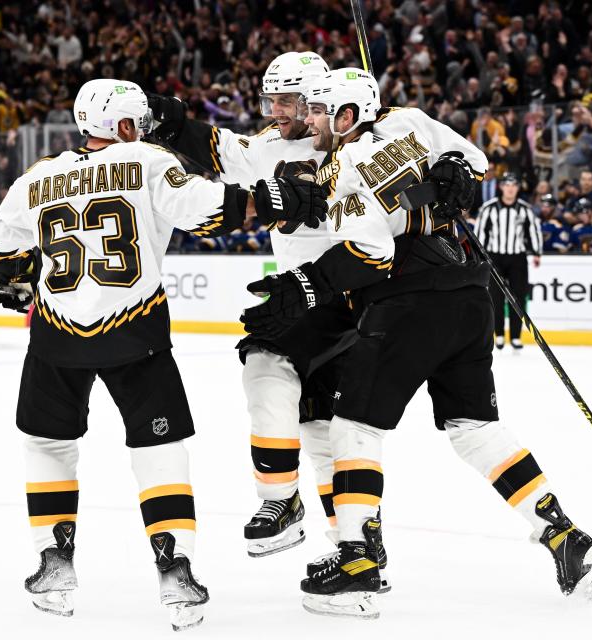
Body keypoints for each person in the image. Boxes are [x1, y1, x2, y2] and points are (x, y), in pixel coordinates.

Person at [242, 68, 592, 619]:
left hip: (409, 304)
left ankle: (357, 561)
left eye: (319, 111)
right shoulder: (412, 124)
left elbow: (371, 254)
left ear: (346, 116)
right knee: (476, 429)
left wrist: (302, 287)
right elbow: (476, 162)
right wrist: (451, 170)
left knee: (352, 426)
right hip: (468, 294)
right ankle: (565, 537)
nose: (308, 120)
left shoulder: (344, 167)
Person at [0, 78, 324, 629]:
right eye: (135, 121)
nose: (140, 129)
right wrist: (275, 200)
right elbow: (213, 211)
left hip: (54, 336)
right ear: (122, 126)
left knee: (48, 445)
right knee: (158, 450)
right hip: (135, 332)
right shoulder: (144, 159)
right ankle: (174, 570)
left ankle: (54, 561)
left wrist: (15, 277)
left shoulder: (37, 176)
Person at [149, 52, 486, 576]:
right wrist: (167, 118)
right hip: (307, 297)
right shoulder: (267, 146)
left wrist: (452, 170)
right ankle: (354, 547)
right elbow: (216, 146)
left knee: (269, 367)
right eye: (271, 99)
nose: (276, 111)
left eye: (287, 101)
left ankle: (283, 499)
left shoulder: (362, 139)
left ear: (320, 102)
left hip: (352, 294)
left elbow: (449, 163)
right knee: (319, 424)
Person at [474, 174, 542, 350]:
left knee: (518, 297)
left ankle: (516, 336)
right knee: (495, 297)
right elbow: (480, 232)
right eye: (507, 185)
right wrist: (481, 255)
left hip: (517, 257)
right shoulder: (488, 208)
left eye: (514, 185)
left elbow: (533, 230)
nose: (510, 188)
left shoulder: (525, 209)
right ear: (501, 187)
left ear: (518, 188)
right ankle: (499, 335)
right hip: (495, 256)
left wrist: (536, 252)